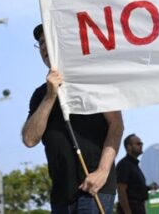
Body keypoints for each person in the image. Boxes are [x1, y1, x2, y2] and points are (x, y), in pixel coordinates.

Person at [22, 24, 123, 214]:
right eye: (40, 43)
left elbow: (116, 125)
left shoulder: (93, 80)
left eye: (48, 41)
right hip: (61, 196)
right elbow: (29, 139)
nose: (44, 47)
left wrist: (102, 172)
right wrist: (50, 96)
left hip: (94, 190)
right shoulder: (40, 95)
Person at [116, 134, 157, 214]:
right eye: (138, 144)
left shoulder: (134, 165)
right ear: (129, 147)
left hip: (138, 207)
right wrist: (127, 212)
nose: (141, 145)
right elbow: (121, 190)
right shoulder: (124, 164)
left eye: (141, 144)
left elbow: (134, 188)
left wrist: (149, 187)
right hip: (131, 207)